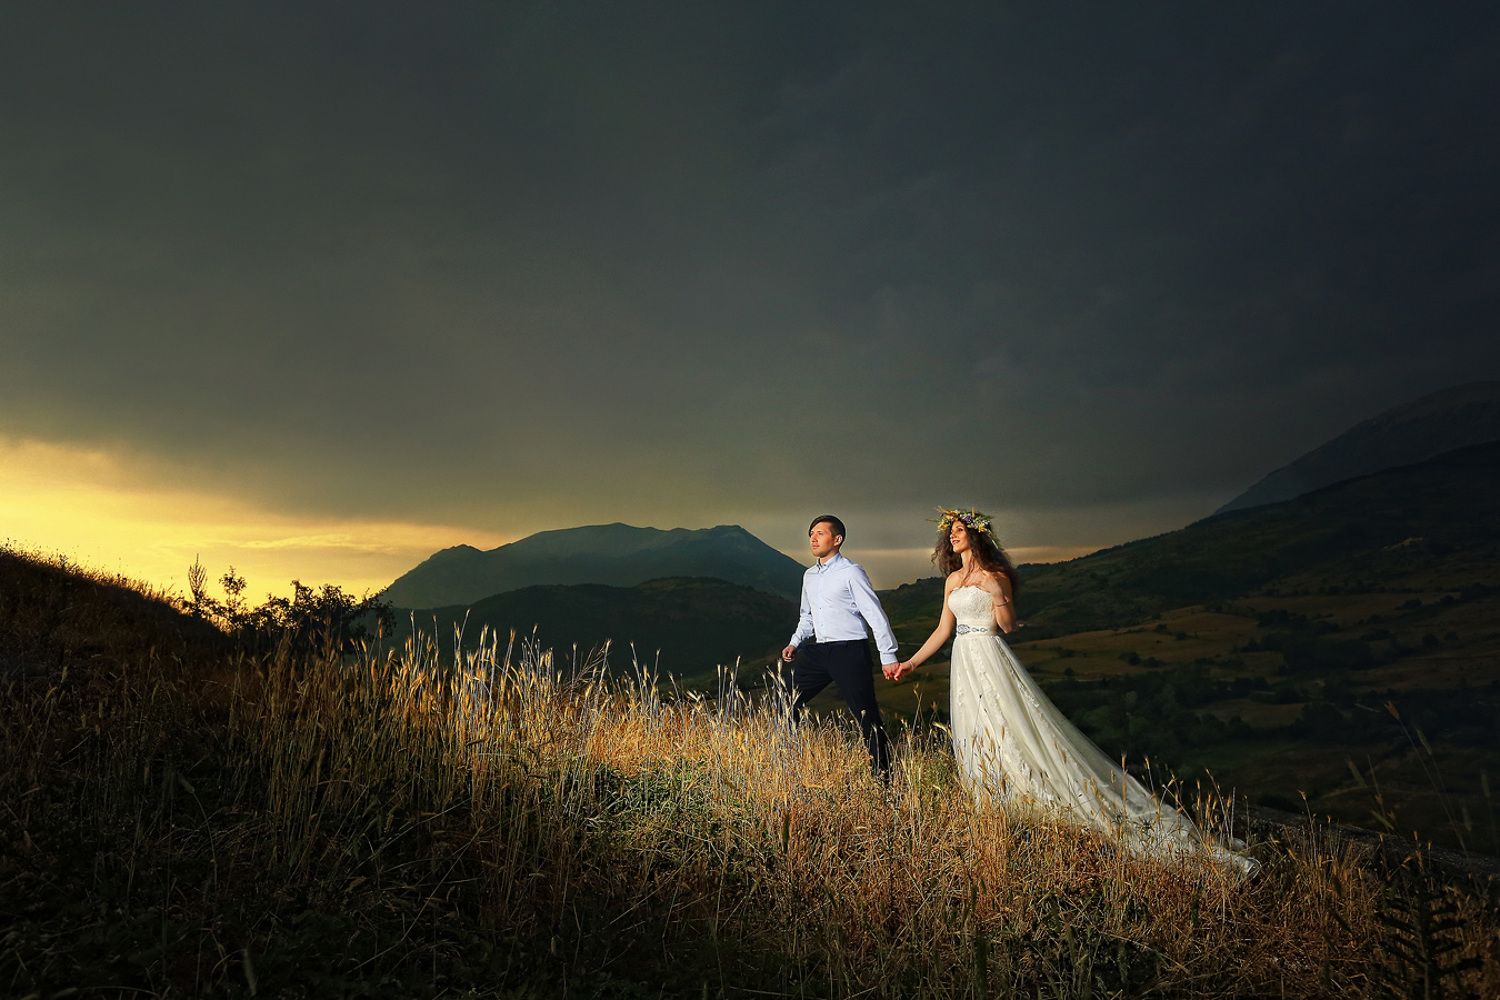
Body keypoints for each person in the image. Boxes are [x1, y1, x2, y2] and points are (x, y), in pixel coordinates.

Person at [893, 508, 1255, 874]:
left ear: (977, 535)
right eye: (950, 532)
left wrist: (998, 594)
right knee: (976, 726)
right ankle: (992, 803)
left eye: (958, 530)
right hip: (962, 657)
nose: (952, 536)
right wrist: (911, 663)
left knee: (1011, 722)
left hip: (989, 653)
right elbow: (943, 629)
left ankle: (1037, 793)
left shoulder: (995, 576)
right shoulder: (952, 580)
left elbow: (1007, 626)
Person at [782, 514, 901, 775]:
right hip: (818, 652)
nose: (813, 537)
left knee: (866, 716)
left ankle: (883, 779)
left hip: (850, 651)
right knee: (785, 700)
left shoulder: (851, 572)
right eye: (811, 533)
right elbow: (807, 616)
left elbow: (874, 614)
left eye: (820, 533)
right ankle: (789, 766)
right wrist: (795, 642)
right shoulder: (809, 576)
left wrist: (888, 655)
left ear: (837, 540)